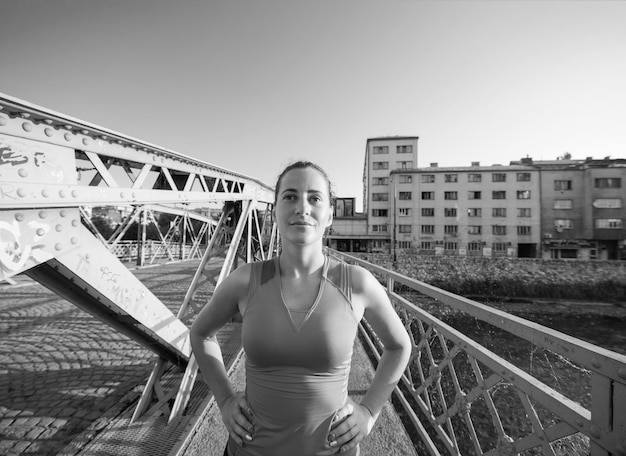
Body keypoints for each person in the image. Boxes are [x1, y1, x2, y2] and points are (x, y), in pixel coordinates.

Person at [189, 161, 411, 456]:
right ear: (275, 208)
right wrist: (226, 400)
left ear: (330, 214)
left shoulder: (357, 283)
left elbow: (399, 346)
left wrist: (369, 411)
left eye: (315, 198)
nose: (302, 207)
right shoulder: (245, 280)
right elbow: (201, 333)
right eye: (290, 196)